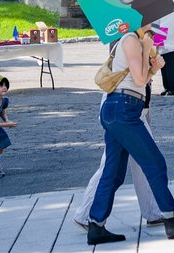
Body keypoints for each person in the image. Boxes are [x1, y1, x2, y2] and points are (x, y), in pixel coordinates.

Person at [85, 25, 174, 245]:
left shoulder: (137, 42)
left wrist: (154, 68)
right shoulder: (130, 39)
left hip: (121, 108)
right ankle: (171, 219)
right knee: (154, 162)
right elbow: (139, 80)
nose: (156, 23)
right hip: (123, 108)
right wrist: (147, 47)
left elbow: (141, 78)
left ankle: (96, 225)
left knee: (114, 171)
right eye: (152, 19)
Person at [70, 87, 164, 230]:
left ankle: (153, 212)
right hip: (125, 105)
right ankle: (85, 214)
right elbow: (137, 74)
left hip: (128, 103)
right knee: (114, 166)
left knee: (123, 164)